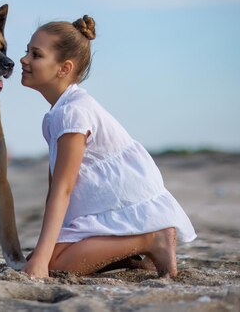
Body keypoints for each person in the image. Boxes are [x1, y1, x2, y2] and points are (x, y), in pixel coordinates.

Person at [19, 15, 196, 279]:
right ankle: (134, 255)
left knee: (54, 266)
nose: (24, 60)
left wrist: (45, 259)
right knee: (42, 258)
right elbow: (55, 188)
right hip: (102, 210)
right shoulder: (58, 113)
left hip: (123, 206)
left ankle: (152, 238)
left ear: (63, 68)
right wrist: (41, 255)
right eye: (27, 52)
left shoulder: (73, 114)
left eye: (36, 55)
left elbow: (63, 189)